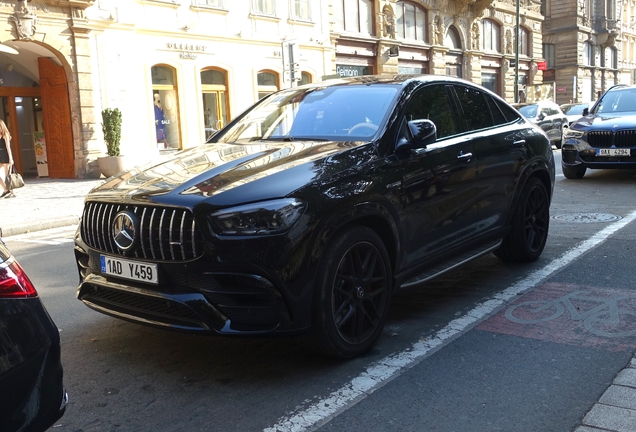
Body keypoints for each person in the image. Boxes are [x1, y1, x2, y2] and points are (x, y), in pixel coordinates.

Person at [0, 119, 15, 198]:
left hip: (5, 154)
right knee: (6, 175)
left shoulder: (5, 134)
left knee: (7, 175)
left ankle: (12, 192)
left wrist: (10, 158)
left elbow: (8, 147)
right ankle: (6, 189)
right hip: (0, 154)